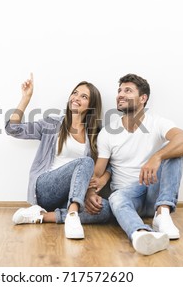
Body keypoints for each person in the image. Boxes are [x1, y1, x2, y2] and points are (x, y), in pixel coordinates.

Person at [85, 73, 183, 255]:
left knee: (174, 149)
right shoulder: (108, 132)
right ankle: (140, 234)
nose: (120, 94)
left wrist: (157, 156)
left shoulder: (157, 122)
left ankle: (163, 214)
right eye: (119, 90)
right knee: (116, 198)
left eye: (128, 90)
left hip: (153, 191)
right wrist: (90, 192)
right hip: (126, 197)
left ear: (143, 98)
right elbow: (97, 173)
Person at [6, 73, 111, 239]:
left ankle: (42, 216)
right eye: (75, 93)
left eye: (84, 96)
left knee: (106, 208)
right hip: (45, 188)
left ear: (91, 105)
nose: (76, 98)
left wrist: (103, 179)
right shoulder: (52, 124)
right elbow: (14, 130)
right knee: (85, 162)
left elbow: (109, 162)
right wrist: (26, 98)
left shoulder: (98, 134)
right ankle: (71, 216)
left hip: (71, 195)